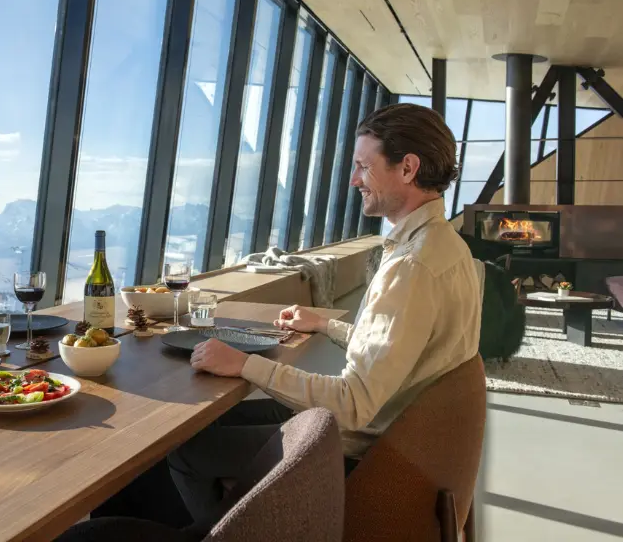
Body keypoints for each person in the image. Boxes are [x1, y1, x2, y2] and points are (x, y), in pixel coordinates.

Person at [167, 102, 482, 527]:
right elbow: (400, 350)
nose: (354, 180)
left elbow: (353, 406)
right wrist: (324, 325)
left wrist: (245, 363)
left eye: (363, 167)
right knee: (212, 423)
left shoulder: (411, 267)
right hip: (396, 439)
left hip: (360, 455)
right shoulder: (448, 248)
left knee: (186, 451)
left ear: (407, 168)